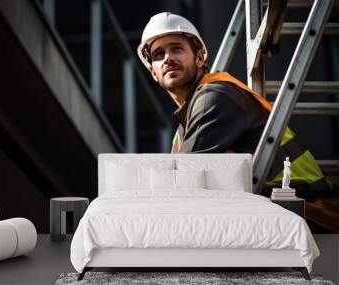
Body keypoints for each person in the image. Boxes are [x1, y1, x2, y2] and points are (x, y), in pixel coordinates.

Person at [137, 12, 339, 233]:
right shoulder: (184, 125)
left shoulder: (215, 95)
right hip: (284, 213)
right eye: (158, 54)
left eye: (176, 48)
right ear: (153, 73)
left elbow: (184, 181)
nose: (167, 58)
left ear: (200, 57)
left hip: (310, 212)